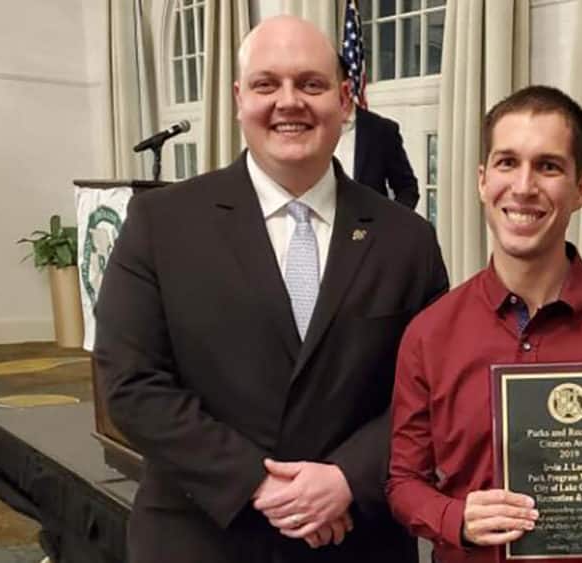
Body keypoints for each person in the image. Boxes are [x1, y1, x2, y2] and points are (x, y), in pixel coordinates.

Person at [95, 15, 447, 563]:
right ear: (239, 98)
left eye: (311, 84)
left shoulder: (409, 240)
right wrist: (259, 485)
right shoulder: (160, 223)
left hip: (358, 537)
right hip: (203, 536)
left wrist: (345, 478)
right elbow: (131, 383)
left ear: (345, 98)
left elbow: (430, 394)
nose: (289, 102)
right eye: (267, 84)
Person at [386, 85, 582, 563]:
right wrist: (456, 518)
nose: (523, 186)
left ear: (581, 189)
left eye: (549, 166)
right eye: (507, 162)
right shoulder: (430, 334)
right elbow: (402, 482)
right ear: (482, 180)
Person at [334, 56, 420, 209]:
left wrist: (390, 224)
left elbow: (408, 189)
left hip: (369, 230)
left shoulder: (381, 130)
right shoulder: (311, 128)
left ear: (346, 88)